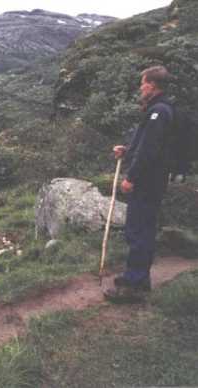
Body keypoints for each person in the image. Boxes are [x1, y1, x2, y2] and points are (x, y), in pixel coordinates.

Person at [104, 65, 174, 303]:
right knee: (142, 228)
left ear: (152, 85)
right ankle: (137, 277)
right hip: (152, 180)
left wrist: (131, 177)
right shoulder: (158, 109)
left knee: (139, 230)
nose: (140, 87)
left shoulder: (159, 112)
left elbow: (149, 150)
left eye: (143, 83)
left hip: (147, 182)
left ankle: (134, 286)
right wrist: (127, 149)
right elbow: (145, 144)